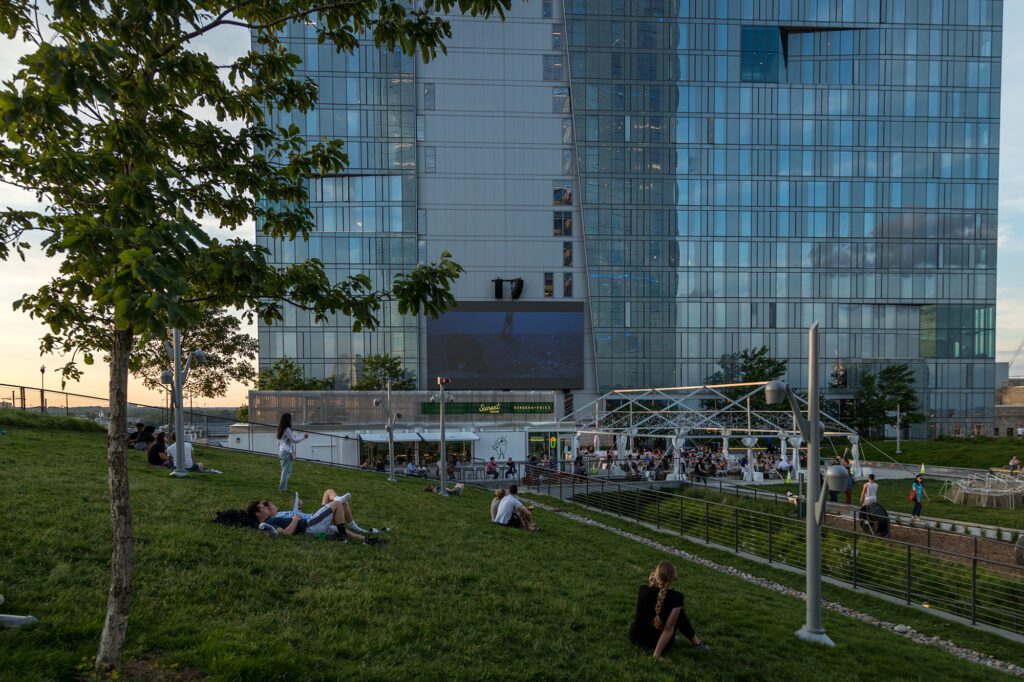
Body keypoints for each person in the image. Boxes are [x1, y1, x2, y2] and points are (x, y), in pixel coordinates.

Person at [628, 561, 706, 659]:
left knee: (673, 609)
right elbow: (668, 629)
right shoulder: (676, 598)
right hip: (653, 644)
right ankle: (696, 642)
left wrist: (651, 585)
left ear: (655, 575)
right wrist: (656, 655)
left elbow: (648, 609)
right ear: (673, 578)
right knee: (678, 611)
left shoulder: (643, 590)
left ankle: (696, 642)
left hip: (636, 638)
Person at [246, 496, 380, 544]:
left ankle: (366, 540)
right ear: (258, 513)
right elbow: (286, 533)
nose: (265, 508)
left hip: (312, 531)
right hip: (310, 526)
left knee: (338, 529)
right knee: (337, 504)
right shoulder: (267, 523)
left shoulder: (270, 520)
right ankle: (343, 537)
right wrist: (295, 519)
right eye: (262, 508)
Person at [277, 412, 308, 492]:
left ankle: (283, 488)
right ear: (288, 420)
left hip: (282, 452)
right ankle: (282, 489)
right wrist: (304, 437)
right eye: (291, 419)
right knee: (286, 472)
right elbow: (294, 440)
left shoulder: (281, 429)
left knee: (286, 471)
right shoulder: (287, 429)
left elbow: (278, 443)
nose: (291, 421)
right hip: (286, 452)